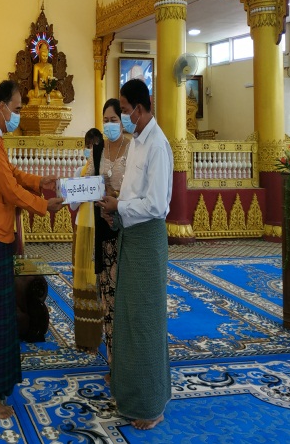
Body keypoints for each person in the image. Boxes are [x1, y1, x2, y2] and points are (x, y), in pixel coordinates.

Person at [0, 79, 63, 420]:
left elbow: (9, 173)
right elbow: (8, 190)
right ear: (2, 106)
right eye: (18, 108)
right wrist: (42, 205)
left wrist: (38, 182)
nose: (19, 115)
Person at [98, 79, 172, 431]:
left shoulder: (157, 145)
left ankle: (152, 405)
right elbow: (133, 193)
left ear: (140, 110)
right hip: (130, 235)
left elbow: (156, 205)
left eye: (125, 111)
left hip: (147, 242)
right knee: (128, 318)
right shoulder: (138, 142)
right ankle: (130, 395)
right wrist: (115, 209)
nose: (124, 117)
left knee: (145, 322)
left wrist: (120, 207)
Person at [97, 98, 131, 375]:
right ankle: (112, 360)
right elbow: (89, 183)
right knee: (107, 296)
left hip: (127, 228)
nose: (109, 125)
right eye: (106, 120)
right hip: (104, 228)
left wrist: (117, 201)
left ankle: (128, 360)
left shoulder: (133, 148)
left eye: (114, 120)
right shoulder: (98, 149)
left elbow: (137, 189)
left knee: (125, 297)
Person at [71, 127, 104, 350]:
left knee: (98, 282)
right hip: (81, 230)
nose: (90, 150)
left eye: (94, 146)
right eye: (88, 146)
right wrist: (80, 189)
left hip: (100, 231)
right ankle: (83, 337)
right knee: (82, 281)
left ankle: (99, 335)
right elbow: (73, 205)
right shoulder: (79, 172)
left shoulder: (106, 174)